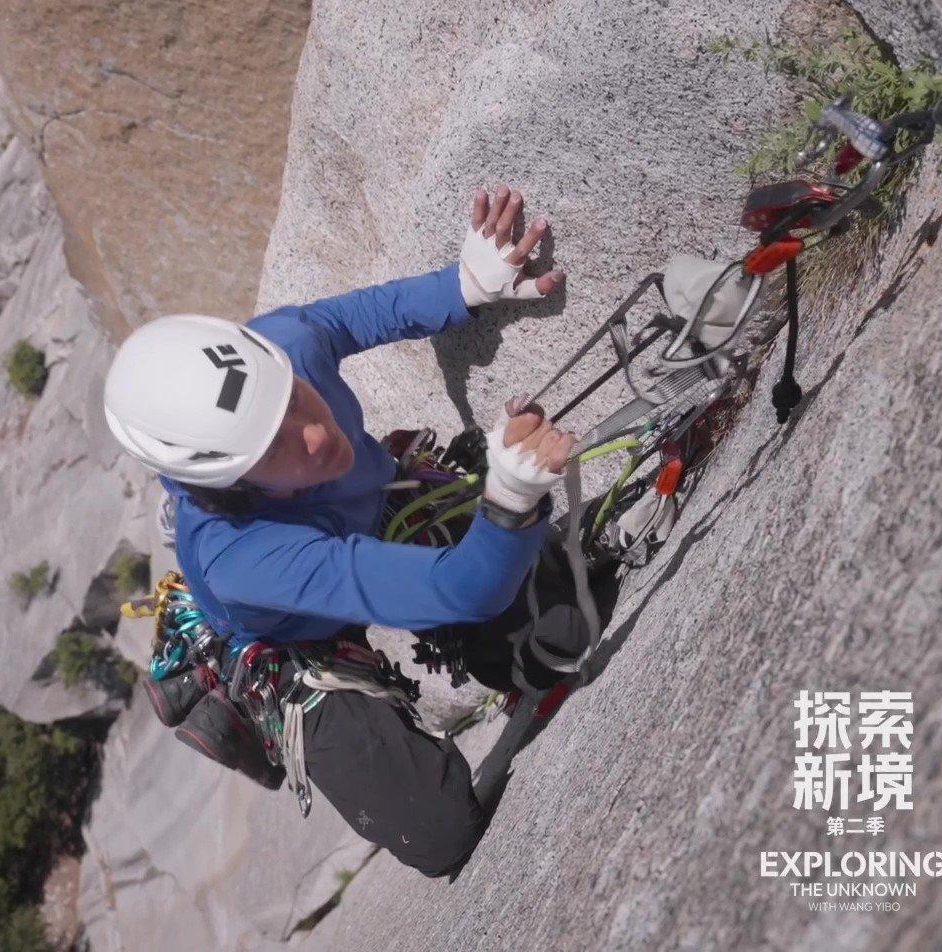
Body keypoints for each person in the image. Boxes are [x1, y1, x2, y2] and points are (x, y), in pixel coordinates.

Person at [101, 185, 584, 877]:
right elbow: (461, 589)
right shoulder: (244, 552)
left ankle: (505, 659)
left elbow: (360, 317)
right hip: (290, 636)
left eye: (294, 397)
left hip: (373, 508)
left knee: (558, 640)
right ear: (229, 485)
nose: (316, 436)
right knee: (440, 831)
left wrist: (466, 283)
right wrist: (509, 503)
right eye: (271, 450)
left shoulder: (280, 349)